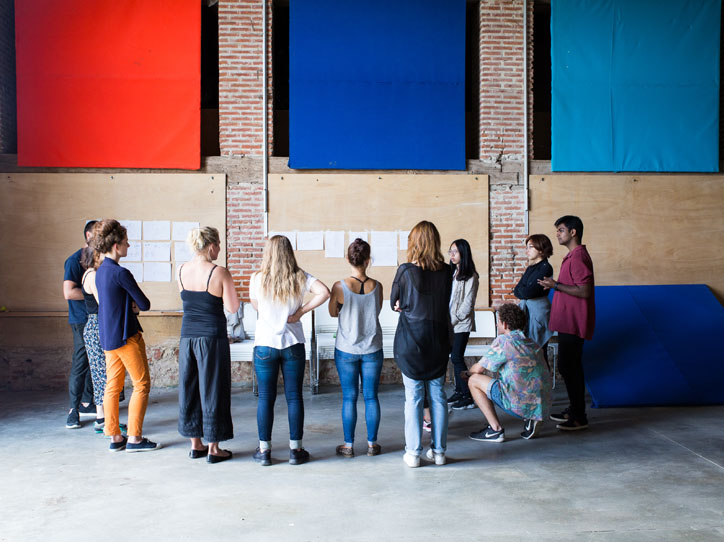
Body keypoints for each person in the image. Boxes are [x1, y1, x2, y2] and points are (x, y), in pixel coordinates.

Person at [249, 235, 330, 466]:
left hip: (265, 344)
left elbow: (255, 304)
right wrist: (300, 312)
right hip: (293, 343)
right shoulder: (299, 276)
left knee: (266, 397)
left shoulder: (257, 278)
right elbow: (324, 292)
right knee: (294, 396)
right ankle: (296, 450)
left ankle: (264, 451)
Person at [93, 219, 160, 452]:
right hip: (126, 335)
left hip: (108, 337)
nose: (128, 246)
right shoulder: (121, 273)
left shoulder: (100, 272)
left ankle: (115, 437)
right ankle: (135, 438)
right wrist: (132, 305)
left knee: (112, 386)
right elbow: (145, 304)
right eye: (126, 242)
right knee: (141, 384)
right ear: (116, 246)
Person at [391, 221, 452, 468]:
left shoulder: (406, 271)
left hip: (411, 341)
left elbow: (394, 302)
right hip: (438, 339)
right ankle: (439, 452)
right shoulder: (447, 271)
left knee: (414, 397)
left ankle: (413, 453)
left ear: (414, 243)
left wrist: (401, 305)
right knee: (438, 396)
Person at [177, 226, 240, 464]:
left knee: (189, 388)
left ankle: (196, 445)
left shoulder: (181, 270)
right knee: (214, 388)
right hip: (212, 337)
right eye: (219, 245)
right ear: (211, 246)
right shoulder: (219, 272)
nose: (220, 249)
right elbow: (233, 308)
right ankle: (214, 448)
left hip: (187, 337)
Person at [463, 303, 553, 442]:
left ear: (504, 324)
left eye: (498, 321)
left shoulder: (504, 341)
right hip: (543, 405)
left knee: (474, 380)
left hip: (519, 404)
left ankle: (495, 430)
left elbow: (479, 368)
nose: (497, 324)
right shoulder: (531, 342)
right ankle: (531, 419)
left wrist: (466, 373)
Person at [538, 215, 595, 431]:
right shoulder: (572, 256)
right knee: (569, 366)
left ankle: (579, 416)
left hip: (574, 322)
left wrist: (556, 285)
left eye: (561, 230)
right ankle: (574, 410)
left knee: (569, 367)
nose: (557, 234)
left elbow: (584, 290)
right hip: (567, 322)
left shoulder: (578, 257)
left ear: (573, 232)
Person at [328, 238, 384, 458]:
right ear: (368, 260)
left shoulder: (339, 286)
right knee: (371, 397)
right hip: (372, 348)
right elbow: (377, 310)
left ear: (348, 259)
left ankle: (348, 445)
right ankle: (372, 444)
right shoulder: (377, 286)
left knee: (349, 397)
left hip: (346, 349)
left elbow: (333, 312)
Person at [80, 246, 127, 437]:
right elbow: (104, 302)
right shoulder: (92, 275)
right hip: (98, 325)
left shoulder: (89, 274)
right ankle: (105, 421)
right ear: (95, 256)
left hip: (95, 325)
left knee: (101, 373)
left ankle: (103, 419)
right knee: (103, 375)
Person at [64, 220, 98, 429]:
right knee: (81, 363)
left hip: (96, 318)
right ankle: (73, 411)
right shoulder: (74, 260)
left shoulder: (98, 260)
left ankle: (87, 403)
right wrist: (93, 294)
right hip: (81, 319)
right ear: (88, 236)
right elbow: (68, 292)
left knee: (94, 361)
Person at [447, 239, 479, 411]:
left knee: (457, 358)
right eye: (450, 251)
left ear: (463, 253)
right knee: (454, 358)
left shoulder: (471, 275)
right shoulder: (453, 273)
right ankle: (459, 391)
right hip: (451, 323)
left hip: (461, 324)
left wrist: (452, 320)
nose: (452, 255)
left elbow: (468, 304)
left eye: (455, 252)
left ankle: (468, 395)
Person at [513, 234, 554, 360]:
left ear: (541, 249)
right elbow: (516, 290)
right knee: (529, 353)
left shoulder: (546, 267)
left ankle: (543, 373)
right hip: (528, 312)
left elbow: (528, 292)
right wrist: (524, 291)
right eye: (527, 247)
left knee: (539, 352)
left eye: (531, 247)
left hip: (539, 313)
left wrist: (524, 291)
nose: (527, 250)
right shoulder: (531, 268)